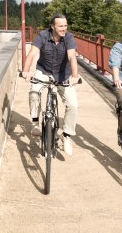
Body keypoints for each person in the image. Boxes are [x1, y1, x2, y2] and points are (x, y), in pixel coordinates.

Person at [21, 13, 80, 155]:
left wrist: (74, 75)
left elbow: (72, 56)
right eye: (60, 26)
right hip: (44, 71)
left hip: (63, 74)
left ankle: (66, 136)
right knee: (34, 91)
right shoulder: (42, 36)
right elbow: (32, 53)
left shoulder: (69, 38)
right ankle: (35, 123)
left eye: (65, 25)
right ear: (52, 27)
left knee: (73, 104)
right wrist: (26, 71)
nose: (64, 28)